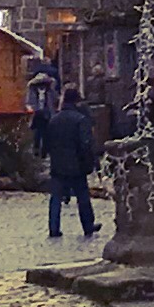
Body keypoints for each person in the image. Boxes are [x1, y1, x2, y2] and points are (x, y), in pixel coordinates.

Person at [42, 86, 100, 242]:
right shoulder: (81, 120)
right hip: (77, 165)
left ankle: (54, 228)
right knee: (82, 197)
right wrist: (90, 162)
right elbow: (86, 144)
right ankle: (88, 225)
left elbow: (47, 142)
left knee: (56, 198)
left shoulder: (54, 120)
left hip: (58, 164)